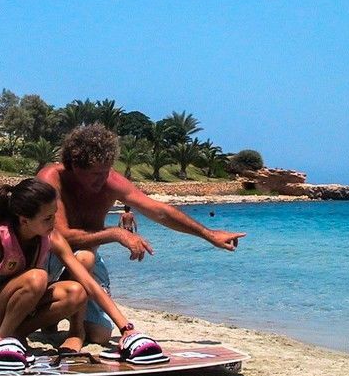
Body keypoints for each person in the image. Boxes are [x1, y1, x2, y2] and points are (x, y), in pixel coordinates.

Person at [37, 123, 246, 344]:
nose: (103, 179)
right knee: (73, 261)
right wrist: (116, 234)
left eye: (106, 171)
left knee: (99, 334)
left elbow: (159, 211)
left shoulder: (110, 180)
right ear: (73, 167)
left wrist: (208, 234)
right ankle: (49, 311)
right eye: (95, 174)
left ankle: (60, 311)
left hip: (86, 256)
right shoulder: (51, 179)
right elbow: (61, 237)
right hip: (49, 256)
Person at [0, 178, 163, 368]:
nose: (54, 223)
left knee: (76, 292)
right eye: (48, 218)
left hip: (22, 310)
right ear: (24, 220)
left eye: (55, 214)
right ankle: (5, 342)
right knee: (38, 277)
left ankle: (17, 336)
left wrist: (126, 329)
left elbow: (89, 283)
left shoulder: (51, 236)